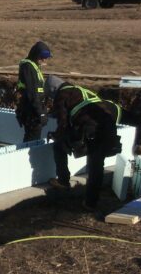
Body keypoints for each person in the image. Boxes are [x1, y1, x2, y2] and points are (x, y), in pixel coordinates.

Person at [48, 80, 123, 214]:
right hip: (108, 127)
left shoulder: (62, 95)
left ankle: (63, 181)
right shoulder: (81, 90)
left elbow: (63, 123)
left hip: (91, 130)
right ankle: (90, 203)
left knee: (59, 146)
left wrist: (55, 135)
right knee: (97, 165)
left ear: (53, 90)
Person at [16, 41, 52, 142]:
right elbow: (32, 93)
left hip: (33, 109)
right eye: (43, 56)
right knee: (31, 140)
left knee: (32, 139)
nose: (45, 60)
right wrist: (40, 113)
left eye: (46, 57)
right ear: (36, 55)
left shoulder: (34, 66)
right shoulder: (28, 67)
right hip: (31, 111)